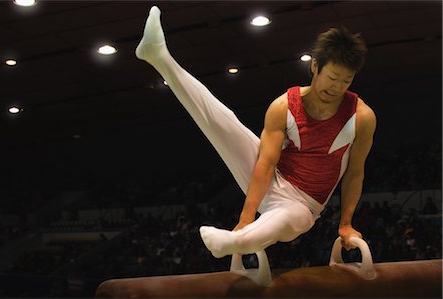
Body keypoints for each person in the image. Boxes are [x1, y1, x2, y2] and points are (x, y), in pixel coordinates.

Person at [135, 6, 376, 259]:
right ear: (315, 66)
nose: (337, 87)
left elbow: (355, 172)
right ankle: (158, 55)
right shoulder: (283, 106)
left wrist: (346, 224)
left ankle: (233, 242)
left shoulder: (361, 117)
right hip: (270, 178)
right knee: (224, 120)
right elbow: (266, 163)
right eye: (333, 77)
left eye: (346, 81)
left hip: (303, 205)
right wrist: (246, 217)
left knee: (282, 220)